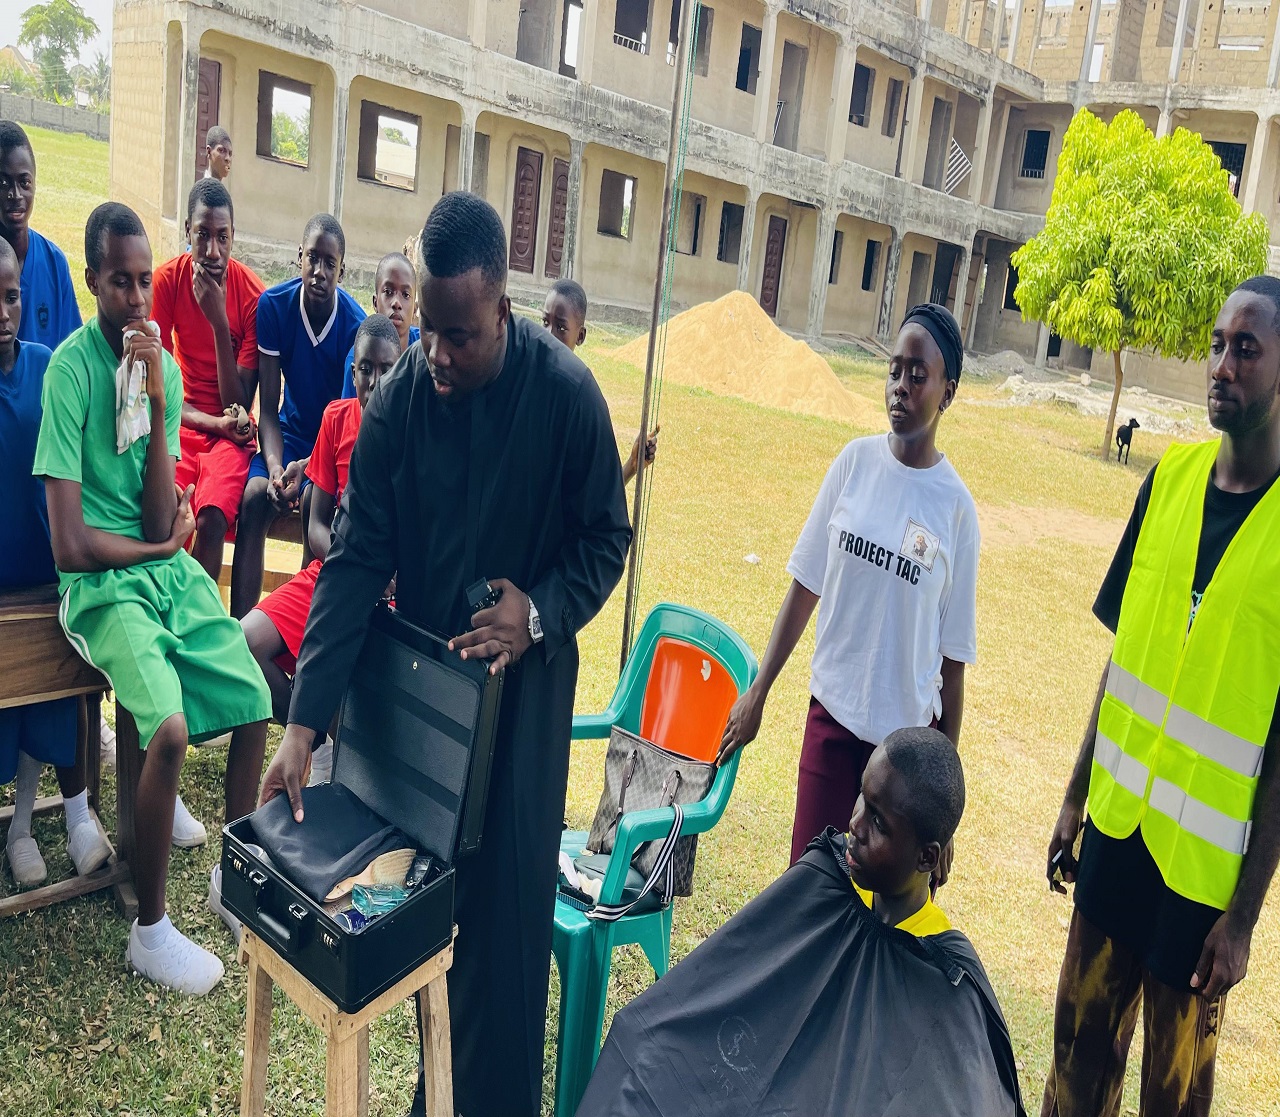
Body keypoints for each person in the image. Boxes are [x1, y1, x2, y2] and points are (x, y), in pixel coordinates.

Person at [257, 192, 631, 1117]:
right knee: (421, 927)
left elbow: (604, 538)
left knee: (504, 948)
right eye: (427, 328)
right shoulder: (399, 406)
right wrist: (305, 724)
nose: (437, 354)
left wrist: (537, 612)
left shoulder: (567, 396)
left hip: (524, 710)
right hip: (426, 714)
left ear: (502, 308)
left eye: (459, 335)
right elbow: (353, 564)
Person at [1042, 276, 1280, 1117]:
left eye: (1245, 349)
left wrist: (1244, 917)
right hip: (1116, 831)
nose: (1221, 365)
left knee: (1173, 1098)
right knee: (1076, 1059)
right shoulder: (1168, 481)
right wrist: (1075, 794)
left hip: (1202, 883)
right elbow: (1125, 660)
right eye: (1217, 345)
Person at [34, 203, 271, 993]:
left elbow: (154, 511)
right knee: (166, 728)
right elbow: (71, 543)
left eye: (144, 281)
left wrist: (164, 400)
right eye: (120, 283)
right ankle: (152, 932)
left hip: (161, 574)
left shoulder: (154, 367)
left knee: (253, 695)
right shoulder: (69, 373)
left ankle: (234, 877)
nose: (137, 299)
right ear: (92, 281)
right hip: (99, 589)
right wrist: (159, 548)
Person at [576, 728, 1024, 1117]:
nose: (855, 825)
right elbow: (730, 980)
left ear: (927, 857)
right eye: (862, 798)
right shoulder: (828, 874)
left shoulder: (947, 983)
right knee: (642, 1046)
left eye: (879, 823)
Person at [719, 303, 980, 868]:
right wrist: (759, 691)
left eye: (918, 375)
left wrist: (944, 809)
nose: (900, 386)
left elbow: (953, 664)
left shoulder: (956, 509)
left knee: (876, 905)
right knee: (809, 881)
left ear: (948, 392)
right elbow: (805, 585)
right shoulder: (854, 464)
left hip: (906, 759)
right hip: (832, 722)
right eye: (895, 370)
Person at [241, 314, 400, 791]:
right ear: (353, 371)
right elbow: (315, 525)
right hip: (332, 573)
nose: (374, 381)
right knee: (240, 646)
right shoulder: (337, 418)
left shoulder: (416, 431)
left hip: (391, 593)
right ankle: (317, 740)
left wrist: (382, 577)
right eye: (365, 369)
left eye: (386, 369)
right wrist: (351, 567)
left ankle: (338, 754)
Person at [0, 236, 112, 887]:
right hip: (0, 590)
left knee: (57, 694)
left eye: (12, 297)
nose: (3, 312)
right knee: (7, 705)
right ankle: (18, 828)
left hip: (48, 578)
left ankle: (53, 823)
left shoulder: (45, 366)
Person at [230, 213, 364, 618]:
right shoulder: (274, 306)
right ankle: (240, 628)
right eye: (313, 259)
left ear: (342, 270)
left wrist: (305, 470)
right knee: (255, 497)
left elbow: (343, 428)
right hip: (287, 437)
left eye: (330, 264)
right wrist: (275, 468)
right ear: (299, 256)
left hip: (328, 451)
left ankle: (300, 624)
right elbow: (269, 409)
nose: (319, 271)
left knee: (310, 503)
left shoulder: (354, 327)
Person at [153, 178, 263, 583]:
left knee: (212, 517)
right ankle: (164, 602)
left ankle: (199, 614)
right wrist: (211, 422)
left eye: (222, 237)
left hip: (231, 436)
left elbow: (238, 406)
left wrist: (219, 323)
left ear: (234, 236)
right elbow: (159, 393)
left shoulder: (252, 297)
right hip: (181, 421)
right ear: (187, 231)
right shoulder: (166, 282)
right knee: (166, 512)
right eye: (202, 235)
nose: (213, 251)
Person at [542, 277, 657, 486]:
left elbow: (597, 494)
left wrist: (631, 466)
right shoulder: (522, 383)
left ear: (580, 336)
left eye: (561, 327)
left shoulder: (585, 403)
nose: (549, 335)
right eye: (545, 323)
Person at [0, 121, 82, 353]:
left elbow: (72, 350)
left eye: (24, 182)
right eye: (3, 183)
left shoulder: (54, 262)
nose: (15, 194)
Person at [339, 252, 419, 399]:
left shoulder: (423, 352)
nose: (396, 303)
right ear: (375, 303)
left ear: (415, 309)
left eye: (405, 295)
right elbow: (352, 410)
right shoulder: (360, 358)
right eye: (388, 292)